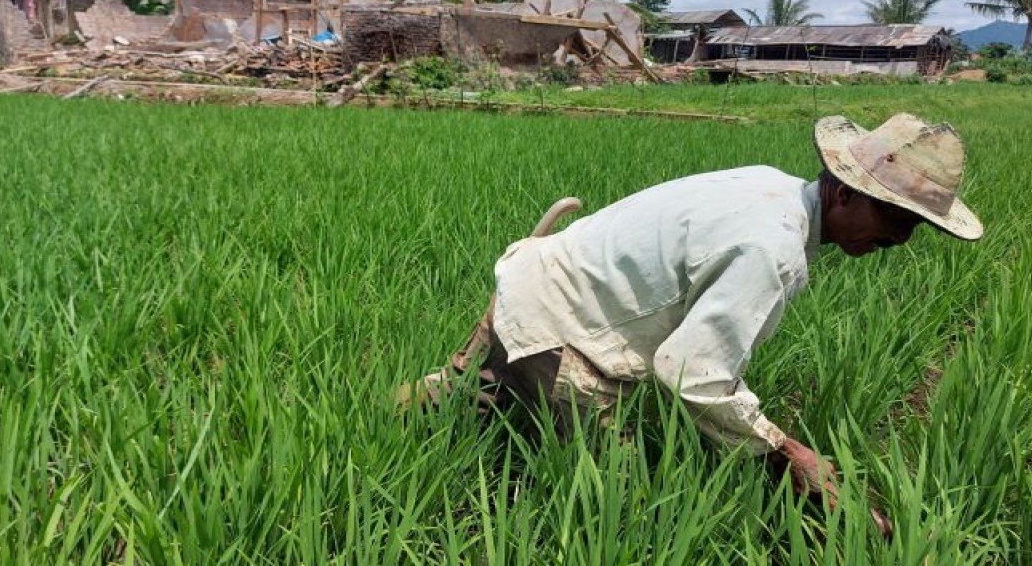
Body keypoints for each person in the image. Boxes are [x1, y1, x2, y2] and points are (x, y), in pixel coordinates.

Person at [401, 113, 983, 534]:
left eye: (915, 226)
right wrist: (785, 450)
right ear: (843, 192)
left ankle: (378, 411)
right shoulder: (770, 250)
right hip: (564, 339)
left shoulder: (770, 184)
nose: (900, 240)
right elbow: (692, 375)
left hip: (530, 277)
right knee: (623, 510)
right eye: (894, 215)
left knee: (460, 395)